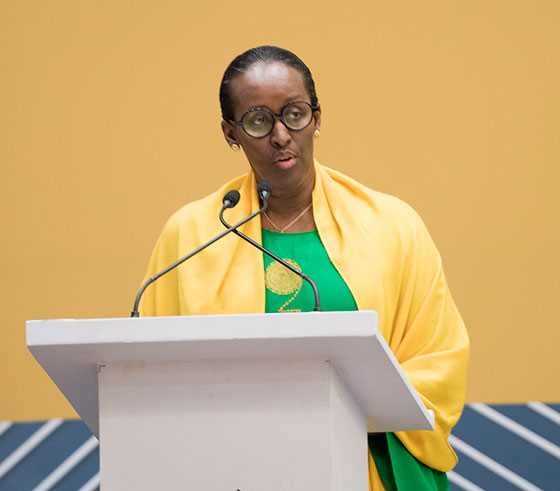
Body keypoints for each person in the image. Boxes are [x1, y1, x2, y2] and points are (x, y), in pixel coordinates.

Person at [140, 46, 469, 490]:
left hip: (364, 468)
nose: (280, 135)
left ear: (317, 118)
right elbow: (152, 368)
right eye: (258, 121)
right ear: (230, 132)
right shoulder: (193, 235)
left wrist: (334, 408)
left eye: (294, 114)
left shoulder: (393, 226)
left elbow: (438, 360)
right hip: (234, 472)